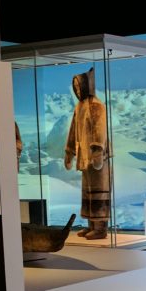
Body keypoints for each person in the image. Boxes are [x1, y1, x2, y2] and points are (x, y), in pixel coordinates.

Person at [64, 67, 109, 240]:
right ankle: (92, 224)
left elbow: (100, 129)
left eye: (78, 86)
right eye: (74, 87)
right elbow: (73, 131)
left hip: (98, 158)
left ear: (86, 86)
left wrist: (97, 150)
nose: (76, 90)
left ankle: (101, 228)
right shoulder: (80, 106)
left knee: (99, 192)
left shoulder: (96, 106)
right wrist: (69, 151)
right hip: (85, 158)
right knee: (88, 192)